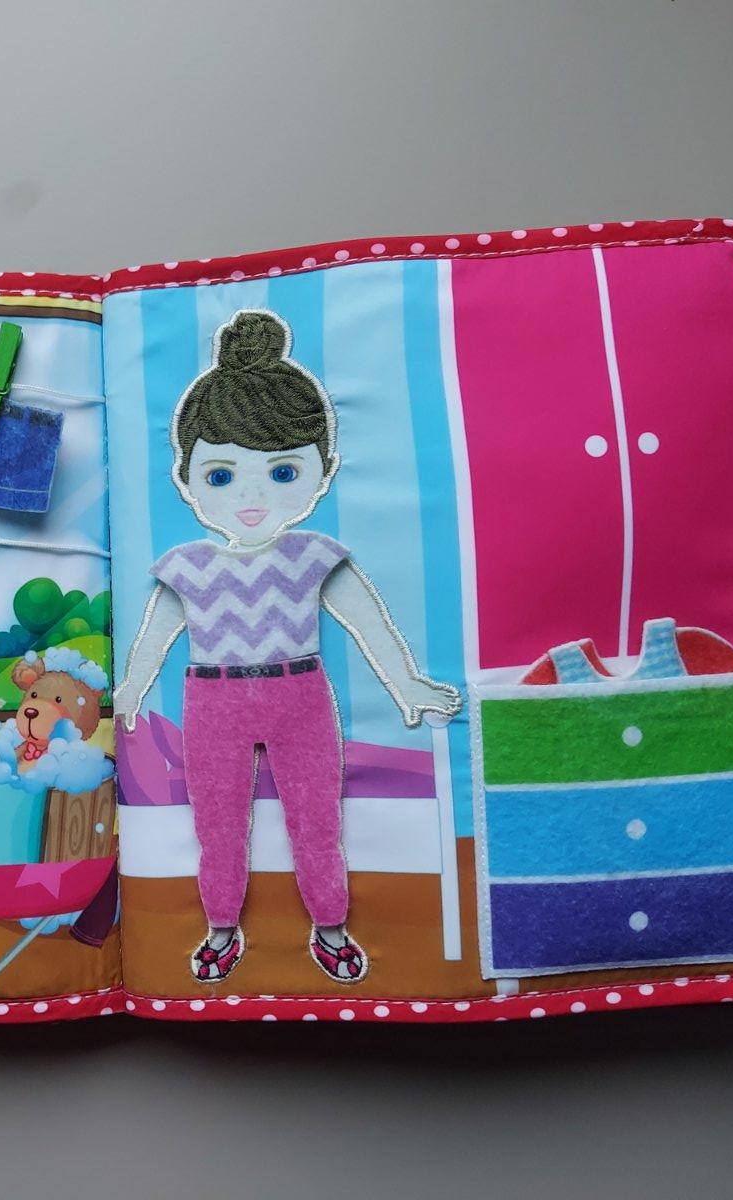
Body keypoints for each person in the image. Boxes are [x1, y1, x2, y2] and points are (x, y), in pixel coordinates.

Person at [112, 309, 461, 985]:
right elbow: (155, 636)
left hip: (299, 695)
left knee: (316, 817)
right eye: (221, 476)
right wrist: (130, 690)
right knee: (217, 822)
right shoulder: (187, 566)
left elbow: (367, 622)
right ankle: (220, 927)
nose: (250, 497)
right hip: (213, 701)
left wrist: (408, 684)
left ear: (322, 471)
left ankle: (330, 926)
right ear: (185, 476)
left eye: (281, 473)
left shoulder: (313, 555)